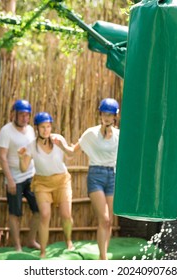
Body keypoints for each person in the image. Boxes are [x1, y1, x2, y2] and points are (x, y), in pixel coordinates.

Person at [55, 98, 119, 260]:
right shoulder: (91, 133)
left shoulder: (119, 136)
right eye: (104, 113)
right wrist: (62, 145)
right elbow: (71, 153)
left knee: (109, 221)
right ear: (100, 114)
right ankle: (103, 258)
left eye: (110, 114)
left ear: (115, 117)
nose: (106, 117)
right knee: (103, 218)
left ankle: (103, 255)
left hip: (112, 175)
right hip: (96, 175)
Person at [18, 112, 74, 258]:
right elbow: (24, 168)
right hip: (42, 183)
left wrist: (62, 146)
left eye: (48, 126)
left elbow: (70, 154)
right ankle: (43, 251)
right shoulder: (31, 146)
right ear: (37, 128)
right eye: (43, 127)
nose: (46, 130)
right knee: (44, 215)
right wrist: (20, 157)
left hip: (61, 180)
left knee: (66, 215)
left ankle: (68, 240)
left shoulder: (58, 139)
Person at [0, 100, 40, 251]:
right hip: (14, 177)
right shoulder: (6, 131)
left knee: (39, 209)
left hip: (31, 175)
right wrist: (10, 180)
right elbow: (2, 157)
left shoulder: (30, 130)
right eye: (21, 115)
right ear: (13, 114)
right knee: (15, 213)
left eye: (27, 115)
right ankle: (17, 246)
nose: (24, 118)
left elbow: (33, 151)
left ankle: (31, 240)